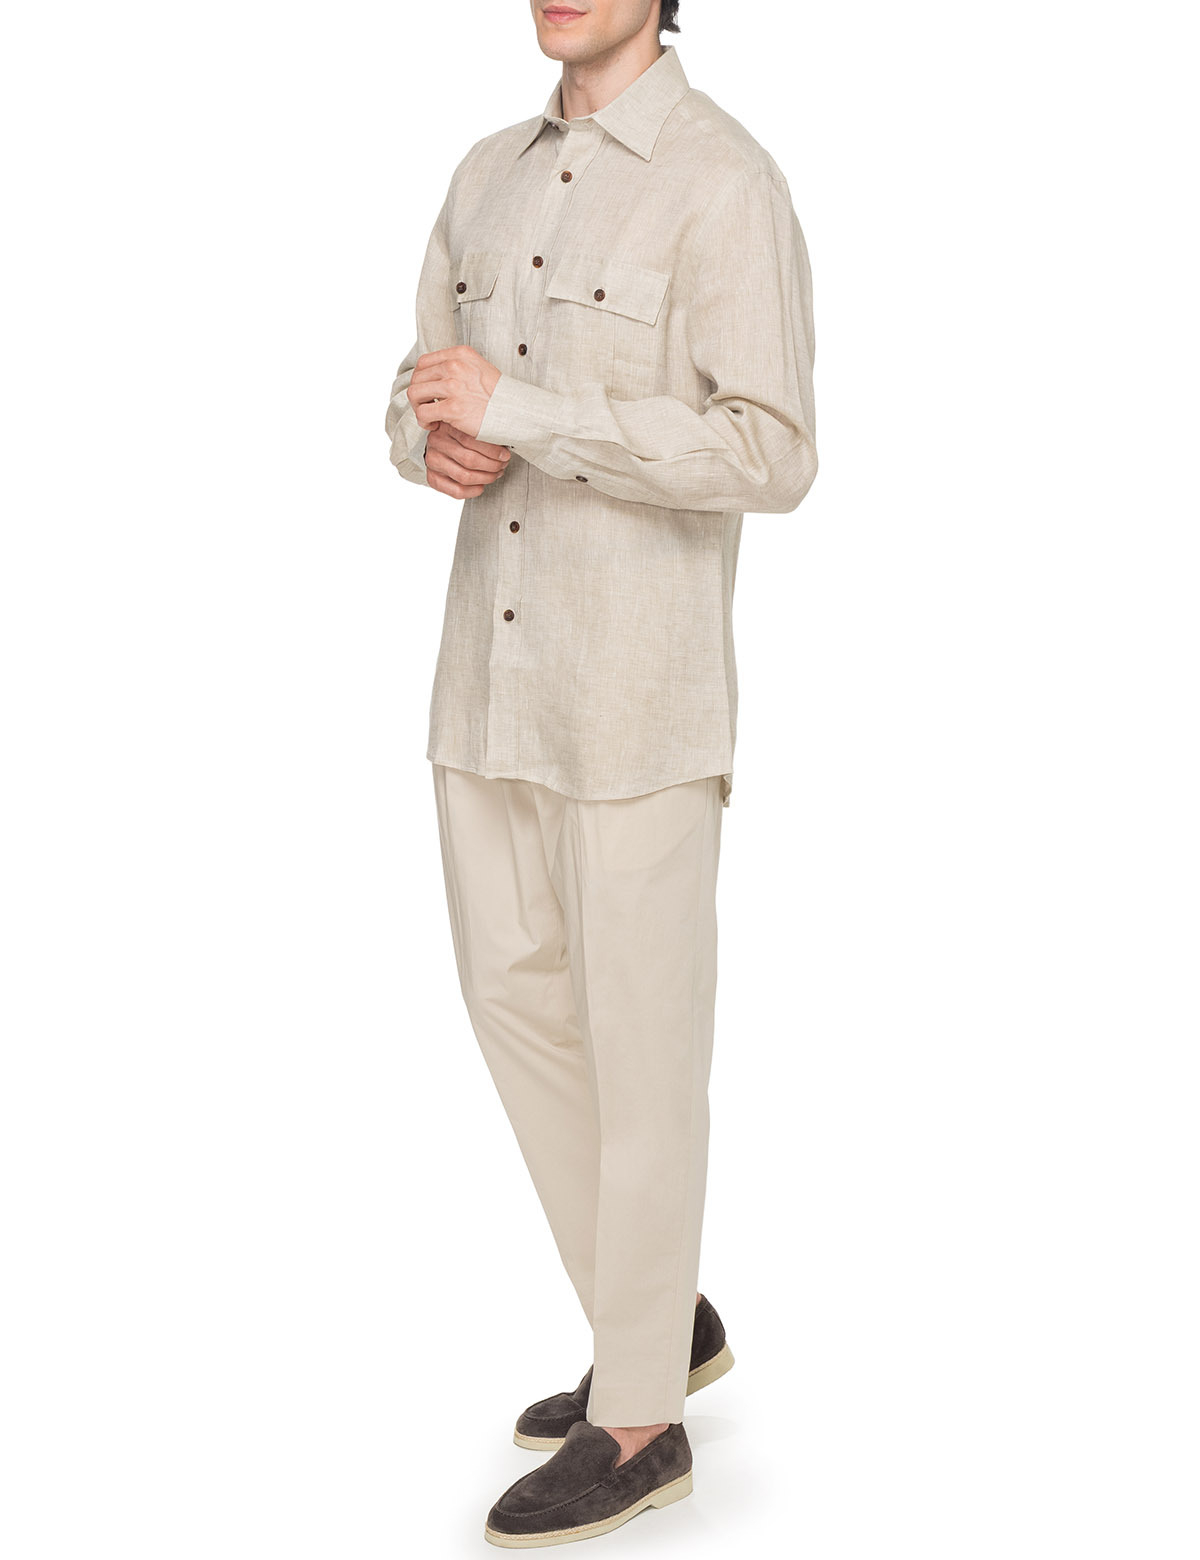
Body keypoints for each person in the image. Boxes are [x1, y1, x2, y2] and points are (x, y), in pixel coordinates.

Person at [384, 0, 816, 1545]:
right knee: (514, 1010)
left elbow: (772, 453)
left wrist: (533, 416)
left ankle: (641, 1422)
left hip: (636, 701)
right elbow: (420, 384)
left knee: (642, 1052)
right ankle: (660, 1318)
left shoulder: (723, 180)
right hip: (487, 689)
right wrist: (426, 441)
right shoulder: (485, 173)